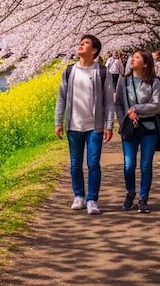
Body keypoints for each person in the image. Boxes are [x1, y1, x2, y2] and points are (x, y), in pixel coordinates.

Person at [56, 34, 115, 215]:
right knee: (75, 164)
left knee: (93, 163)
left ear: (94, 50)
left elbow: (109, 101)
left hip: (94, 127)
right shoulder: (69, 71)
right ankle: (79, 196)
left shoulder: (102, 72)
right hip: (73, 125)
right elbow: (61, 98)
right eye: (80, 43)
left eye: (86, 43)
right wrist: (58, 122)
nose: (81, 45)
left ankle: (92, 199)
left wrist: (109, 125)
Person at [115, 49, 160, 214]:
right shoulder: (123, 81)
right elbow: (118, 104)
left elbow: (157, 105)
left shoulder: (154, 82)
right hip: (130, 128)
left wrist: (136, 108)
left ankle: (143, 199)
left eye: (136, 57)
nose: (132, 59)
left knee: (145, 165)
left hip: (149, 129)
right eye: (132, 57)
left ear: (145, 64)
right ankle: (130, 192)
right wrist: (124, 120)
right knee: (129, 165)